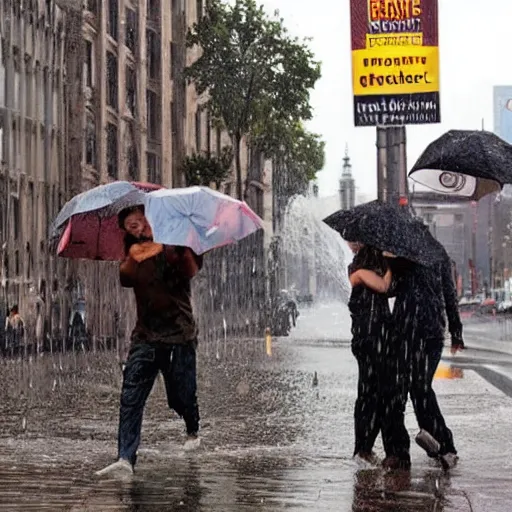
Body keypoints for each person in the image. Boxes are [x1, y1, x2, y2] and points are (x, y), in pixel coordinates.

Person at [96, 206, 203, 478]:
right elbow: (126, 278)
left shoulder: (176, 243)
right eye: (132, 226)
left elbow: (191, 270)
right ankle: (125, 458)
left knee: (181, 397)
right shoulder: (132, 254)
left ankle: (192, 428)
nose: (139, 228)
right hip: (145, 336)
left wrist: (174, 246)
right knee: (131, 395)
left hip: (180, 334)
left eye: (142, 221)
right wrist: (135, 256)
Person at [389, 251, 464, 470]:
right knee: (417, 388)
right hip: (425, 330)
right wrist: (456, 331)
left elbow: (449, 294)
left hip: (418, 331)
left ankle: (444, 443)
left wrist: (457, 332)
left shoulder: (407, 255)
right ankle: (434, 439)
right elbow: (449, 296)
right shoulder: (433, 254)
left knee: (418, 387)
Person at [348, 242, 410, 470]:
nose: (348, 244)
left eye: (352, 240)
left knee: (371, 394)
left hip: (372, 338)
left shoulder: (363, 267)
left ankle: (367, 447)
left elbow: (389, 287)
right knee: (382, 394)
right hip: (374, 339)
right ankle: (389, 450)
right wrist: (388, 266)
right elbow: (384, 287)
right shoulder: (359, 270)